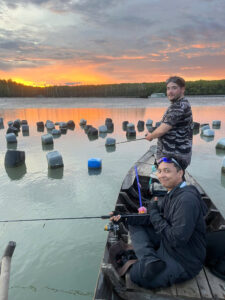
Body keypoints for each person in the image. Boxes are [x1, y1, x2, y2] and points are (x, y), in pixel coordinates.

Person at [111, 157, 207, 289]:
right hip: (167, 243)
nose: (162, 175)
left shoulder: (186, 200)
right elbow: (154, 218)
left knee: (136, 275)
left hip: (184, 259)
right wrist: (123, 217)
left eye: (167, 171)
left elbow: (176, 239)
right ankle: (149, 259)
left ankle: (149, 260)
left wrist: (154, 212)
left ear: (180, 173)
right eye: (160, 171)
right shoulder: (172, 192)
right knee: (134, 223)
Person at [145, 76, 193, 169]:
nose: (170, 92)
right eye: (168, 88)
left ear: (182, 89)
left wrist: (151, 136)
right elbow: (168, 125)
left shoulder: (179, 106)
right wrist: (152, 132)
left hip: (174, 157)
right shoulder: (179, 104)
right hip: (173, 155)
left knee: (169, 182)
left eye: (174, 88)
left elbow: (162, 130)